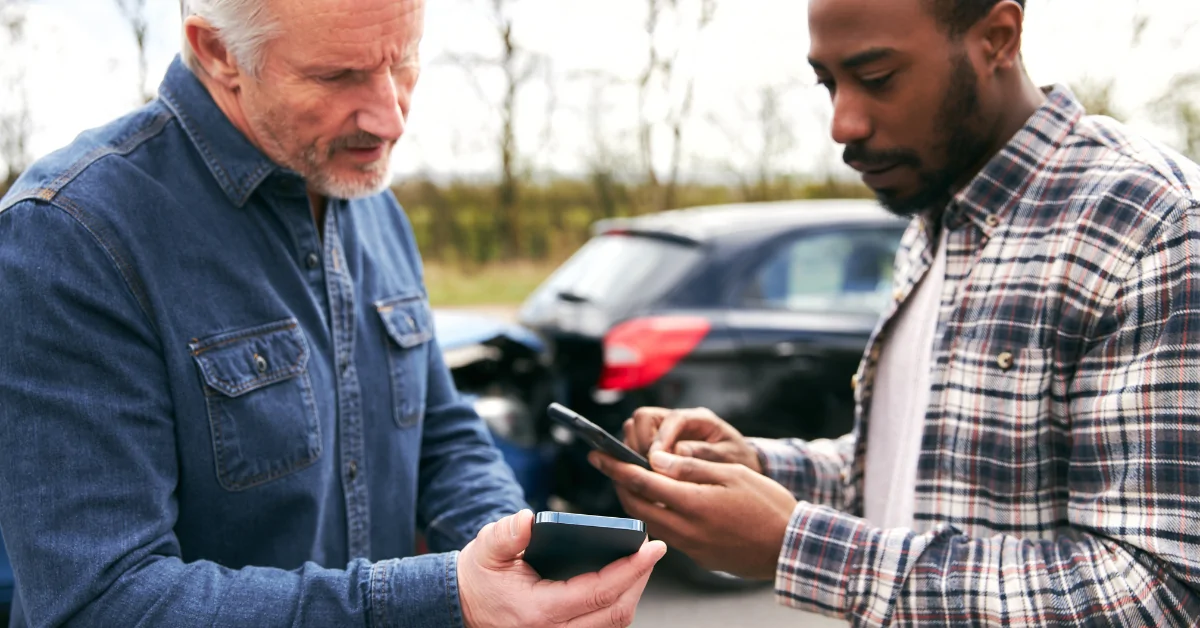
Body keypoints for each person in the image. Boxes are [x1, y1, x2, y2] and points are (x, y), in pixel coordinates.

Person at [0, 0, 665, 625]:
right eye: (338, 75)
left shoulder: (371, 204)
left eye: (403, 61)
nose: (391, 117)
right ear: (218, 51)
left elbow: (440, 434)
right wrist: (443, 599)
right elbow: (102, 602)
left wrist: (518, 559)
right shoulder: (72, 235)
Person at [591, 0, 1200, 625]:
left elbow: (1158, 593)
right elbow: (917, 471)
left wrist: (793, 547)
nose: (842, 124)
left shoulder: (1154, 225)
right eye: (828, 84)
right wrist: (755, 466)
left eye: (877, 79)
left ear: (997, 38)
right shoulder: (932, 211)